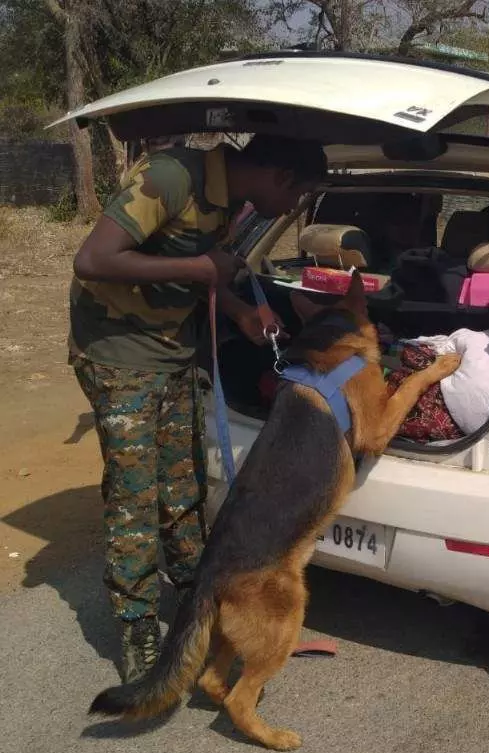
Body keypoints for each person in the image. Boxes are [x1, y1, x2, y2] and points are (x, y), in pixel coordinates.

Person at [69, 133, 328, 683]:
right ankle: (138, 631)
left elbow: (194, 268)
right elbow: (93, 259)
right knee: (136, 498)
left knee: (183, 489)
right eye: (302, 195)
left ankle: (197, 607)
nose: (297, 210)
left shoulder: (233, 200)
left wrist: (235, 310)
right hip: (120, 354)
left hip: (175, 348)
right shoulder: (171, 177)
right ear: (282, 177)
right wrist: (201, 271)